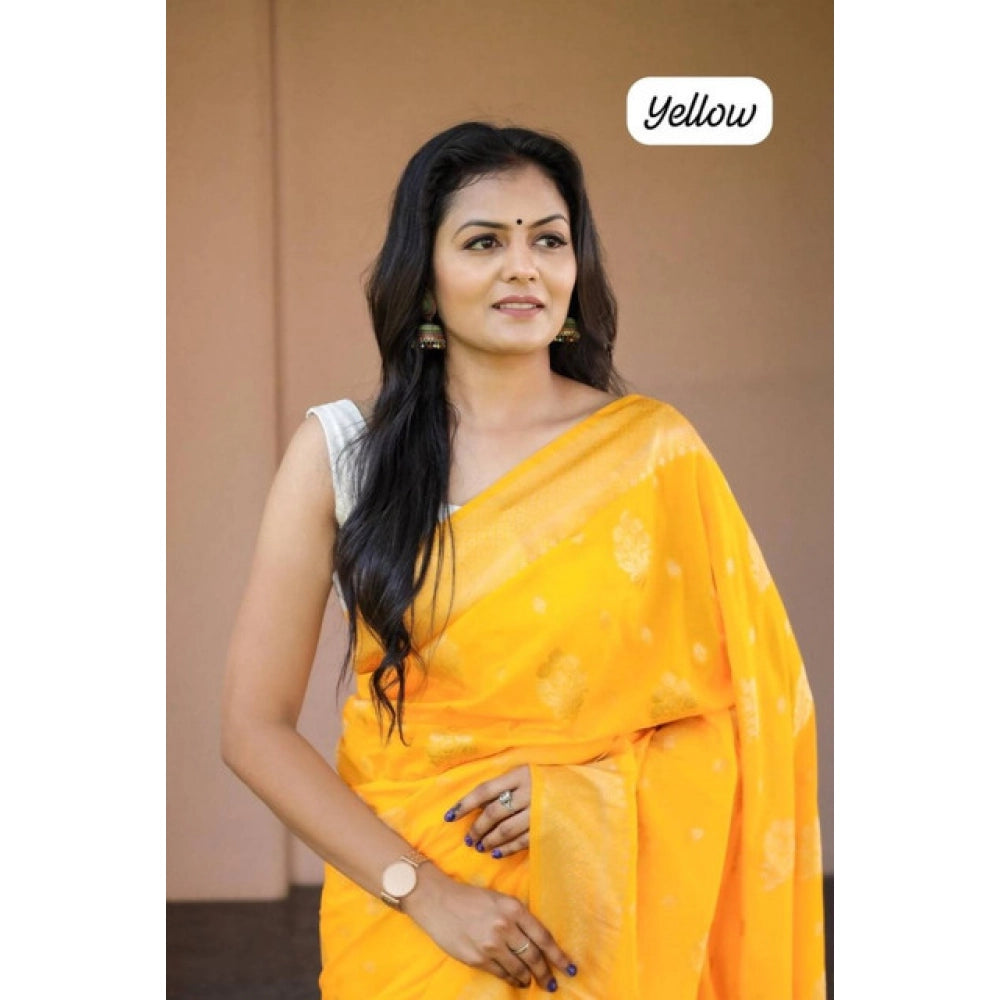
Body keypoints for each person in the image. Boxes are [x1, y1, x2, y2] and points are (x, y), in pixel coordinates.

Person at [221, 121, 826, 999]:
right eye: (483, 242)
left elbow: (756, 712)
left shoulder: (651, 455)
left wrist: (584, 800)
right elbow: (253, 728)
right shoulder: (344, 454)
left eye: (548, 239)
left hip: (608, 926)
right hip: (415, 929)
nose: (524, 267)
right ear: (424, 274)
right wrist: (425, 894)